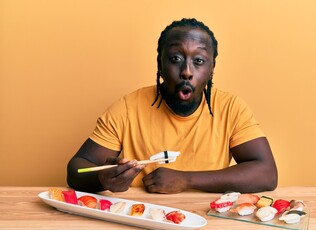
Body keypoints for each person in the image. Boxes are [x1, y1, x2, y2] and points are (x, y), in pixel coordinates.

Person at [67, 18, 278, 194]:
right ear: (160, 63)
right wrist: (104, 179)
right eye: (176, 58)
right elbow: (77, 169)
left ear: (212, 67)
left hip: (209, 218)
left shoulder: (231, 108)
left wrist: (186, 180)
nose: (187, 71)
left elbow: (267, 174)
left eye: (199, 60)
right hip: (142, 217)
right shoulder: (127, 108)